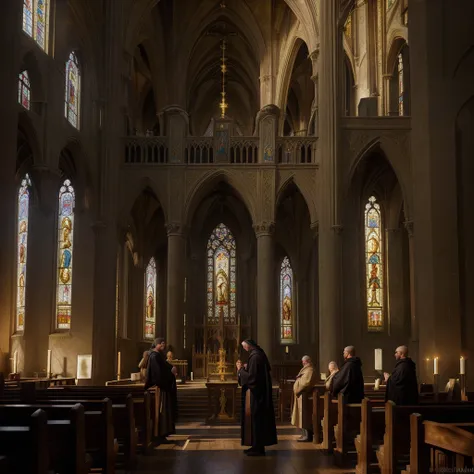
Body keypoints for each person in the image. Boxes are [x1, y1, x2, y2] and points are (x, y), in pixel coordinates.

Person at [238, 339, 277, 456]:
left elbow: (252, 379)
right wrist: (247, 367)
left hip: (257, 395)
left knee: (257, 420)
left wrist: (240, 370)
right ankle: (256, 446)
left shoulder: (255, 357)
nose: (244, 349)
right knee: (257, 420)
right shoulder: (258, 354)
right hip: (260, 394)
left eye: (244, 347)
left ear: (249, 346)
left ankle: (257, 448)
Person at [144, 337, 178, 442]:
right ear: (157, 344)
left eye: (164, 344)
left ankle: (163, 433)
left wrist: (171, 369)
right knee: (161, 411)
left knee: (164, 410)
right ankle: (160, 434)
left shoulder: (158, 356)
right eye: (162, 344)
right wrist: (171, 373)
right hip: (160, 388)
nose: (164, 346)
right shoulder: (154, 356)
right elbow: (158, 374)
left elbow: (164, 367)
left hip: (163, 387)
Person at [291, 355, 318, 442]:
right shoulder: (306, 369)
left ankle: (308, 436)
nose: (303, 363)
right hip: (301, 396)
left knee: (305, 416)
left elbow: (306, 383)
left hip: (305, 395)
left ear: (305, 361)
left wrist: (298, 381)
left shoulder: (309, 370)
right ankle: (305, 434)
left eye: (303, 362)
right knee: (302, 416)